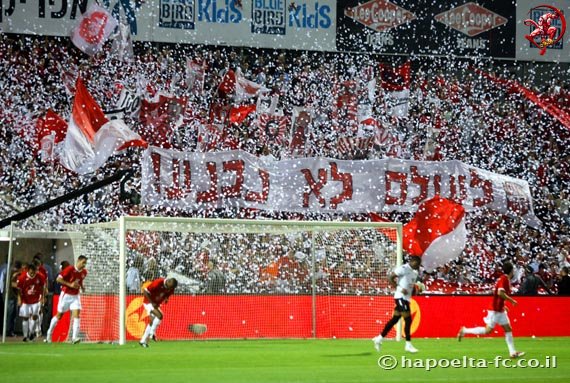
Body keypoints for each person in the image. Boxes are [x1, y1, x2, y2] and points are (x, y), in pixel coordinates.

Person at [457, 262, 525, 358]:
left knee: (508, 329)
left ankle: (512, 352)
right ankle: (464, 330)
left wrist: (503, 305)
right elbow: (500, 293)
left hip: (499, 309)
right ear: (511, 271)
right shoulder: (504, 279)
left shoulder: (505, 279)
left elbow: (499, 295)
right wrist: (511, 300)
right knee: (487, 331)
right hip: (495, 310)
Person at [372, 255, 422, 353]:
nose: (418, 266)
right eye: (418, 264)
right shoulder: (403, 268)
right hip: (400, 297)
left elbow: (411, 290)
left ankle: (379, 338)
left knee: (394, 320)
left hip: (406, 299)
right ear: (413, 261)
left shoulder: (415, 273)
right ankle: (408, 344)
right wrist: (399, 288)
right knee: (408, 320)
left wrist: (417, 290)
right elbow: (390, 277)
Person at [44, 256, 88, 344]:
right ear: (78, 261)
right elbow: (58, 279)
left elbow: (80, 280)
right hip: (66, 295)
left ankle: (74, 338)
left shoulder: (84, 272)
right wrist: (70, 284)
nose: (84, 265)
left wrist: (82, 287)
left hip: (75, 296)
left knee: (77, 315)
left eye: (85, 263)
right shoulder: (69, 269)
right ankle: (49, 334)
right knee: (59, 316)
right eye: (83, 262)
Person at [139, 277, 178, 348]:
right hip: (148, 302)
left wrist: (166, 299)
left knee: (151, 322)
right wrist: (152, 302)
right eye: (170, 287)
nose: (170, 289)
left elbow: (168, 294)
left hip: (156, 303)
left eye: (172, 288)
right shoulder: (158, 282)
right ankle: (152, 333)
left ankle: (142, 341)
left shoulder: (171, 288)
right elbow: (145, 291)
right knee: (160, 316)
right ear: (168, 282)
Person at [16, 262, 47, 341]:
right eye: (31, 272)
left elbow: (43, 287)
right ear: (28, 271)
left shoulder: (39, 276)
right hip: (25, 301)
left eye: (34, 272)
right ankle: (25, 336)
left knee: (34, 317)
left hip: (35, 300)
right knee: (25, 318)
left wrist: (43, 297)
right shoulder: (22, 278)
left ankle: (31, 333)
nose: (33, 274)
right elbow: (19, 289)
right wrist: (19, 299)